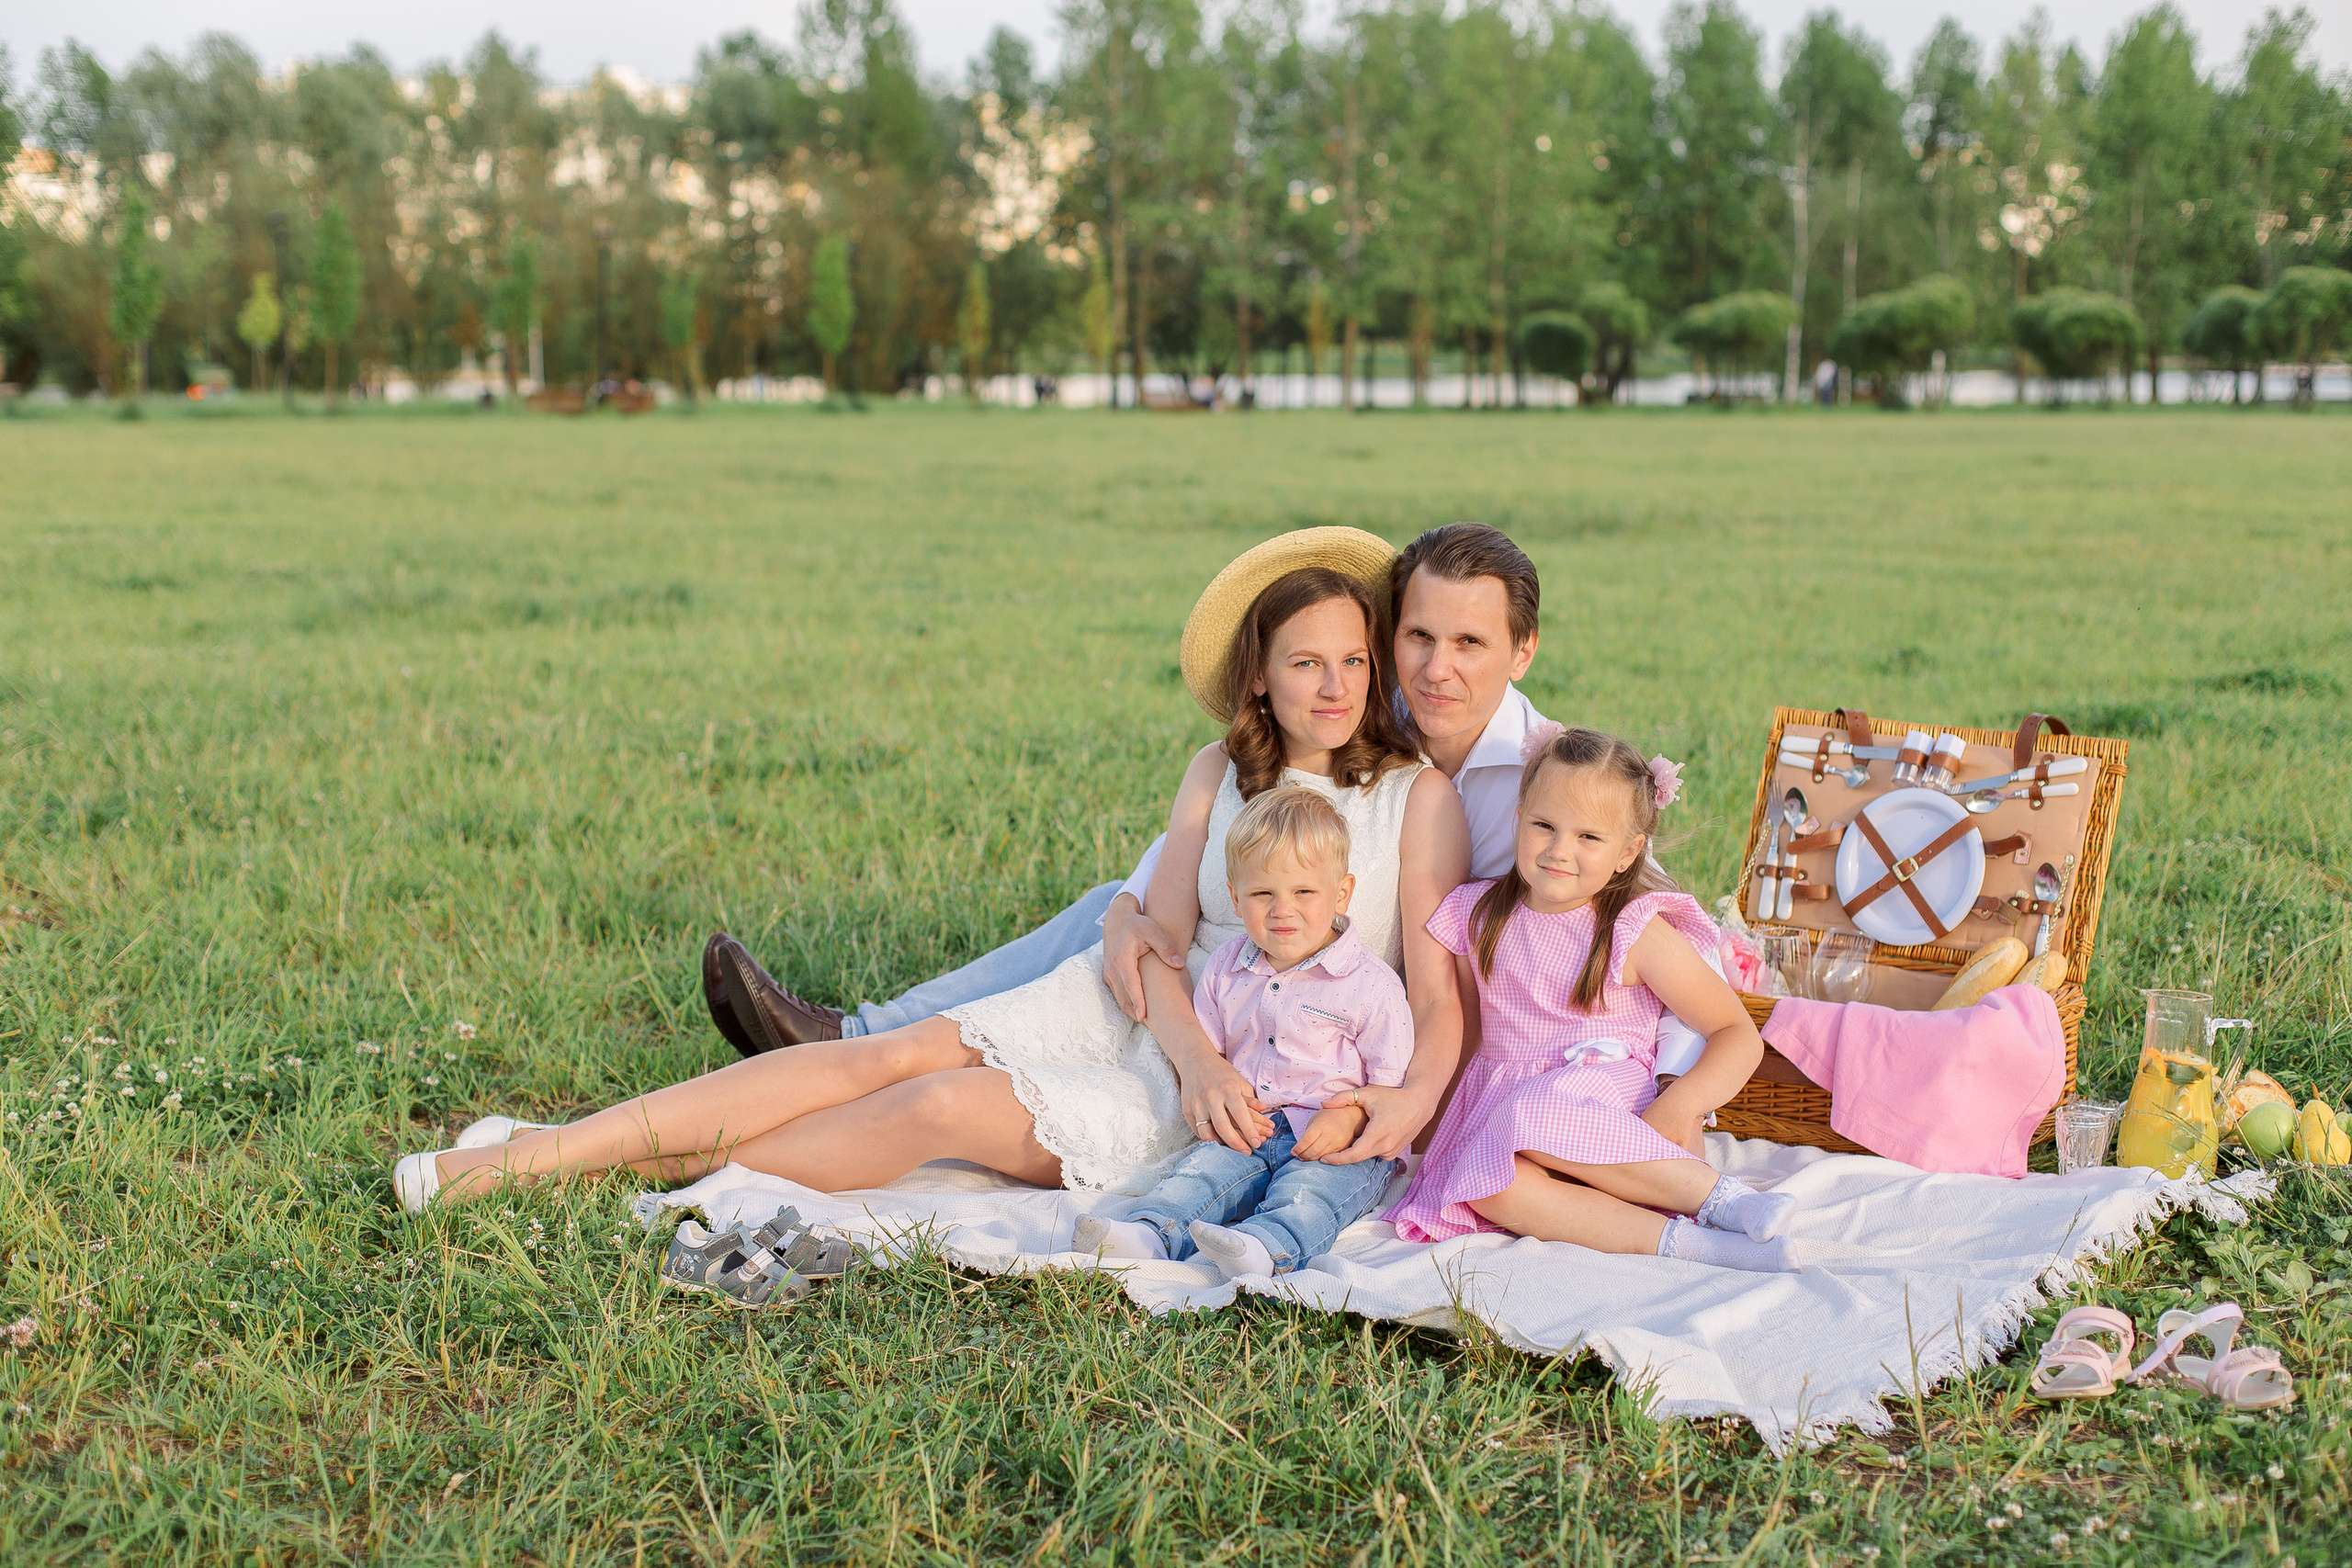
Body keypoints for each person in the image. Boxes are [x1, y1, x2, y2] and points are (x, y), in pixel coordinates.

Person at [392, 529, 1469, 1209]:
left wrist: (1375, 1094)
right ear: (1261, 677)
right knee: (892, 1056)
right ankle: (534, 1162)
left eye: (1353, 662)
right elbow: (1165, 945)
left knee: (940, 1111)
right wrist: (1184, 1044)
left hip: (1247, 1073)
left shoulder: (1414, 800)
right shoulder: (1215, 771)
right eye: (1304, 662)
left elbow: (1431, 990)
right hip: (1163, 1024)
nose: (1333, 686)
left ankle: (570, 1170)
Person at [705, 525, 1582, 1102]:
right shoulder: (1358, 707)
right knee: (1104, 910)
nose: (1436, 668)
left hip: (1354, 1010)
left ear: (1520, 650)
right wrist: (1133, 911)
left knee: (1101, 934)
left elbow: (1622, 911)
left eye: (1470, 644)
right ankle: (857, 1037)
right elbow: (1224, 846)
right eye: (1417, 637)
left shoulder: (1546, 780)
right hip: (1255, 945)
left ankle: (862, 1045)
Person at [1385, 725, 1799, 1273]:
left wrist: (1678, 1106)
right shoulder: (1478, 916)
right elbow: (1465, 1035)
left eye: (1589, 837)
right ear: (1518, 818)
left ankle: (1726, 1201)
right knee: (1488, 1186)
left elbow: (1735, 1032)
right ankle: (1696, 1246)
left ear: (1628, 853)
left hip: (1617, 1115)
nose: (1559, 850)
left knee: (1531, 1113)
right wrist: (1434, 1129)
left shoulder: (1631, 928)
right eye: (1543, 826)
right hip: (1513, 1113)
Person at [1072, 785, 1412, 1278]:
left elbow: (1392, 1085)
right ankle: (1148, 1231)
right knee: (1202, 1175)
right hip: (1251, 1125)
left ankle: (1263, 1247)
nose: (1282, 910)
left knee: (1310, 1193)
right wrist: (1222, 1106)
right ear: (1234, 896)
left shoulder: (1370, 985)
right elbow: (1211, 1056)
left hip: (1337, 1138)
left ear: (1341, 893)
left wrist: (1355, 1119)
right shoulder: (1228, 968)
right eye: (1262, 894)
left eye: (1303, 892)